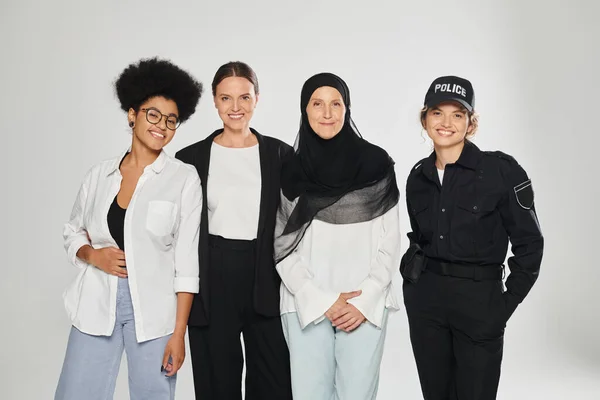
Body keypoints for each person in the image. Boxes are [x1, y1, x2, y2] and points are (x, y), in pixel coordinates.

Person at [55, 57, 203, 400]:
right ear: (132, 114)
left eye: (171, 120)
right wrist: (93, 255)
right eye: (153, 114)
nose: (162, 126)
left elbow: (186, 263)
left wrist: (179, 333)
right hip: (96, 303)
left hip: (155, 313)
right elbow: (72, 230)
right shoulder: (99, 175)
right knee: (76, 394)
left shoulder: (183, 179)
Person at [401, 75, 544, 400]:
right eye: (437, 113)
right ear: (424, 119)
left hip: (480, 303)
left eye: (458, 114)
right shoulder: (417, 178)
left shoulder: (502, 172)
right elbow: (418, 240)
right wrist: (414, 291)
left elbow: (530, 244)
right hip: (427, 306)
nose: (446, 122)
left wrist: (503, 305)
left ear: (471, 123)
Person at [275, 72, 401, 400]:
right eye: (318, 104)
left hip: (365, 303)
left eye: (336, 104)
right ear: (305, 109)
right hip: (305, 301)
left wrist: (365, 297)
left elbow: (390, 241)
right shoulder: (290, 170)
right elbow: (282, 246)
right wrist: (321, 298)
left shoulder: (377, 164)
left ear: (347, 109)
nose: (327, 113)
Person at [175, 61, 293, 400]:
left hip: (266, 275)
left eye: (244, 97)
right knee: (217, 383)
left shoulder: (281, 154)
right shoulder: (191, 158)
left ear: (258, 98)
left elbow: (296, 221)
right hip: (212, 277)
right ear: (214, 100)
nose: (236, 107)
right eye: (226, 98)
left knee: (274, 381)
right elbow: (180, 230)